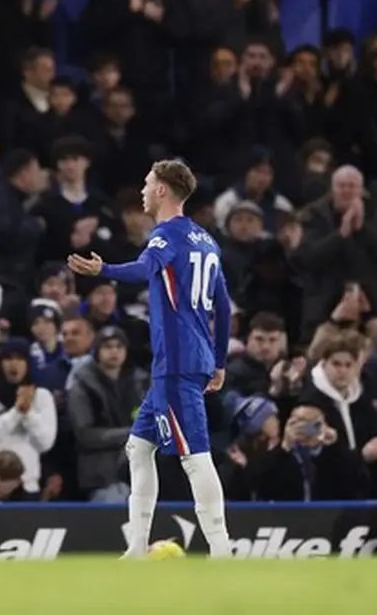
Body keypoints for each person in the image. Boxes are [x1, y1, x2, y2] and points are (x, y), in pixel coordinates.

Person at [68, 158, 233, 559]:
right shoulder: (206, 240)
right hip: (188, 360)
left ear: (162, 189)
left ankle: (223, 549)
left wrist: (103, 268)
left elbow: (145, 267)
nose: (142, 191)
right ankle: (137, 547)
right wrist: (221, 360)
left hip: (175, 363)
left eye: (146, 183)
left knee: (195, 457)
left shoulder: (165, 236)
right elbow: (224, 306)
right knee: (139, 448)